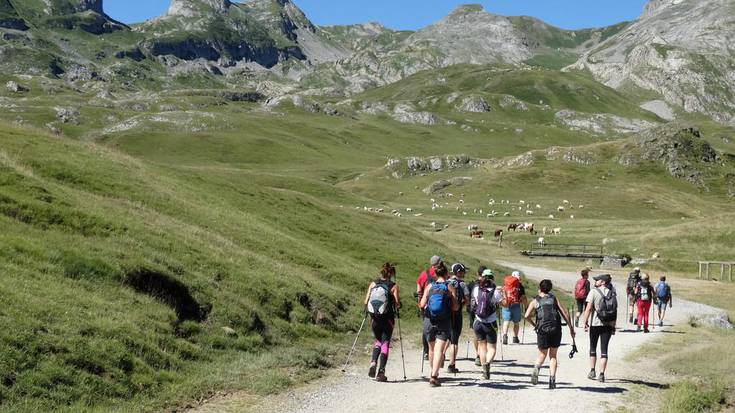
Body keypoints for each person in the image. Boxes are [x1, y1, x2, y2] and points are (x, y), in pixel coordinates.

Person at [524, 279, 575, 389]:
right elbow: (564, 313)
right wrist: (571, 328)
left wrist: (535, 325)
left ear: (539, 288)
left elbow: (526, 316)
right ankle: (552, 380)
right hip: (555, 329)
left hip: (542, 329)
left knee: (542, 354)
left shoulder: (535, 301)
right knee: (553, 355)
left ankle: (537, 367)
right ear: (550, 289)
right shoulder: (554, 299)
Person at [419, 263, 458, 387]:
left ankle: (433, 372)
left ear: (435, 274)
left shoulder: (429, 286)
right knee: (439, 350)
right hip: (444, 321)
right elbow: (455, 307)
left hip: (429, 320)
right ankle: (434, 376)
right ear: (446, 274)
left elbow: (422, 304)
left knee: (431, 349)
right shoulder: (449, 286)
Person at [364, 263, 402, 382]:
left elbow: (365, 302)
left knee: (378, 341)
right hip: (388, 319)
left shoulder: (373, 284)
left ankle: (373, 362)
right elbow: (397, 304)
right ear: (391, 273)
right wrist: (398, 304)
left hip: (374, 319)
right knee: (385, 343)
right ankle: (381, 372)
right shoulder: (393, 286)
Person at [582, 274, 617, 383]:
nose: (595, 281)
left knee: (593, 347)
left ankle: (592, 371)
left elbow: (588, 309)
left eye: (597, 280)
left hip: (595, 324)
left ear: (603, 282)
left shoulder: (593, 292)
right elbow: (614, 311)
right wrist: (613, 326)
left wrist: (585, 322)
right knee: (604, 350)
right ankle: (602, 374)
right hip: (608, 325)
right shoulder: (612, 293)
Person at [471, 269, 503, 380]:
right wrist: (502, 293)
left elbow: (474, 303)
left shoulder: (476, 289)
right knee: (492, 347)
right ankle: (488, 363)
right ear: (492, 279)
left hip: (478, 321)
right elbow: (505, 304)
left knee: (482, 346)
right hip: (491, 322)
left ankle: (484, 370)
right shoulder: (495, 292)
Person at [447, 263, 470, 373]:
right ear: (459, 272)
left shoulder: (446, 282)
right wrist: (461, 305)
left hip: (444, 314)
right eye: (463, 271)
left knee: (444, 338)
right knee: (454, 341)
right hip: (456, 314)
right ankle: (451, 365)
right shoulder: (462, 284)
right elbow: (467, 300)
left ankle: (440, 359)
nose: (464, 273)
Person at [416, 255, 440, 359]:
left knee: (426, 328)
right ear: (439, 263)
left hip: (426, 305)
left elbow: (418, 290)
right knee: (440, 328)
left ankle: (426, 351)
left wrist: (419, 303)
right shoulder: (441, 273)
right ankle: (438, 351)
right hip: (440, 305)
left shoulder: (424, 274)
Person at [467, 265, 487, 366]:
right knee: (485, 333)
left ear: (477, 273)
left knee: (476, 332)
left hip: (473, 311)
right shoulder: (489, 284)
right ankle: (482, 353)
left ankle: (478, 355)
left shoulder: (471, 284)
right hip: (485, 311)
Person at [501, 270, 527, 345]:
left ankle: (505, 335)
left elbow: (503, 294)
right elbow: (523, 297)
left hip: (506, 305)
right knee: (516, 322)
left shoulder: (506, 284)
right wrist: (526, 306)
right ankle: (515, 337)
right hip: (516, 305)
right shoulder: (520, 286)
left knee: (506, 321)